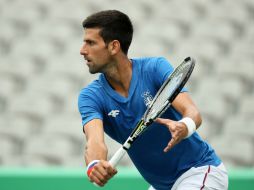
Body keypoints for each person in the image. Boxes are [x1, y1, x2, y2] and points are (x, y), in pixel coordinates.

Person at [78, 10, 228, 190]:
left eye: (90, 43)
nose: (82, 50)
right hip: (160, 186)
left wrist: (184, 126)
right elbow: (94, 142)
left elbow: (193, 113)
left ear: (113, 47)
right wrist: (95, 165)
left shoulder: (155, 68)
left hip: (199, 171)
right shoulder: (90, 96)